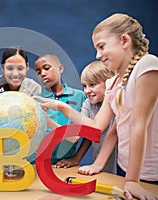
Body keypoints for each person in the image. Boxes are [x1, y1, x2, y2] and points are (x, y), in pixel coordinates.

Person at [35, 13, 158, 200]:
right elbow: (96, 128)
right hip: (124, 169)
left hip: (149, 174)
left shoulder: (147, 65)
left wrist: (132, 180)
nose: (98, 55)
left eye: (101, 47)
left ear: (124, 40)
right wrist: (59, 106)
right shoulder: (112, 83)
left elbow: (138, 123)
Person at [54, 61, 117, 174]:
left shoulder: (119, 103)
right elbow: (85, 133)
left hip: (123, 166)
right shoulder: (88, 104)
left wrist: (60, 107)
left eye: (92, 85)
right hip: (103, 168)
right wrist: (77, 158)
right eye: (84, 86)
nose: (87, 91)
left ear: (109, 83)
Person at [33, 54, 86, 164]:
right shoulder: (36, 102)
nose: (43, 73)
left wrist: (77, 158)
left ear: (60, 68)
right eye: (38, 72)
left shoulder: (80, 96)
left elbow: (89, 133)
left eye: (47, 68)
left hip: (64, 165)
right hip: (37, 163)